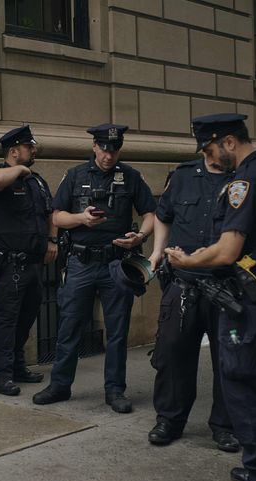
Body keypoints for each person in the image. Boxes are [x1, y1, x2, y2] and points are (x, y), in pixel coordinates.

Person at [165, 113, 256, 481]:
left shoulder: (244, 181)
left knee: (242, 382)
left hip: (248, 299)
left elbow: (226, 251)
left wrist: (186, 261)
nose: (210, 157)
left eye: (210, 148)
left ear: (227, 141)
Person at [33, 124, 156, 413]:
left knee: (117, 331)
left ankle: (115, 390)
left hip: (117, 264)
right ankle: (60, 385)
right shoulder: (75, 176)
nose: (108, 156)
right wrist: (81, 219)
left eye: (114, 150)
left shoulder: (131, 177)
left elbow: (151, 213)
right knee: (69, 327)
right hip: (81, 263)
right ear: (94, 147)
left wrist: (141, 236)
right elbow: (58, 217)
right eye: (104, 149)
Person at [147, 148, 240, 452]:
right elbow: (164, 215)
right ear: (206, 146)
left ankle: (225, 426)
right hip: (183, 284)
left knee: (228, 360)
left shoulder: (245, 176)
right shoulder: (183, 176)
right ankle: (169, 420)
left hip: (227, 286)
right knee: (172, 353)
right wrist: (158, 250)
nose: (228, 149)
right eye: (221, 144)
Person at [0, 125, 57, 396]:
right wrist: (20, 170)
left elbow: (51, 212)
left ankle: (17, 366)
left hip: (34, 262)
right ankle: (1, 374)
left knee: (27, 316)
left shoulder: (37, 181)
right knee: (6, 319)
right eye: (29, 147)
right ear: (14, 151)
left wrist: (52, 240)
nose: (34, 150)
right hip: (9, 265)